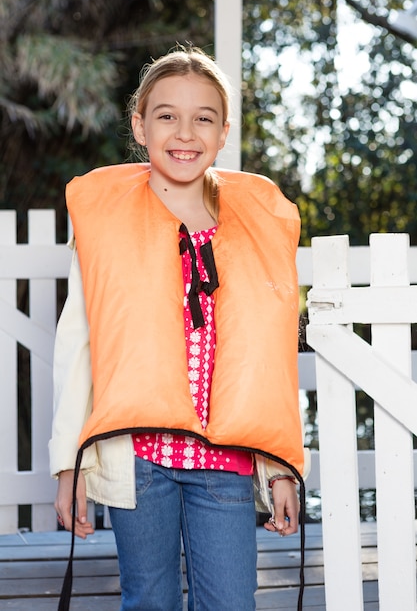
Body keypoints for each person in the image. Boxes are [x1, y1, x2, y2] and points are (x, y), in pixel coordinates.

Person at [50, 45, 307, 611]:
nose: (184, 132)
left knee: (232, 603)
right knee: (149, 601)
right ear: (140, 126)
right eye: (166, 115)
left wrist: (281, 469)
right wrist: (69, 463)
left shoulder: (253, 230)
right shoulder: (108, 227)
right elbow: (79, 346)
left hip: (227, 464)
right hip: (138, 461)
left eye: (203, 118)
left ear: (223, 134)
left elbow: (268, 362)